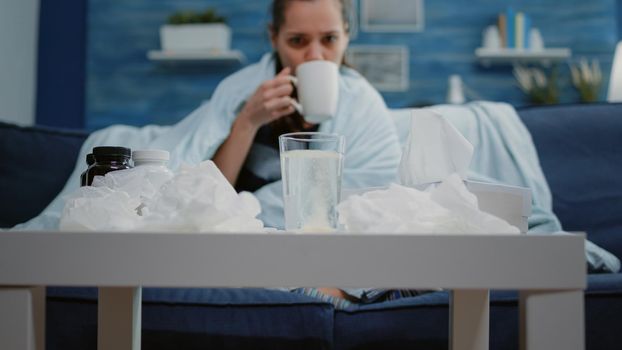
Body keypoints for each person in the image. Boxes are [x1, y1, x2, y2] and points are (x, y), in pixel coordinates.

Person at [208, 0, 401, 304]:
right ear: (274, 38)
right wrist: (247, 123)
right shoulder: (239, 93)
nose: (315, 56)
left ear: (347, 35)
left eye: (329, 39)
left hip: (331, 253)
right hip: (247, 247)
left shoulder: (363, 104)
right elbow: (205, 195)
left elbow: (377, 197)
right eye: (298, 41)